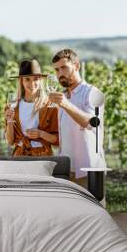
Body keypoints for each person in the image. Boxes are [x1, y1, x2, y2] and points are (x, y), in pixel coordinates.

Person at [49, 49, 106, 189]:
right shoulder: (62, 96)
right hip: (66, 170)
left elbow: (91, 123)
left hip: (89, 170)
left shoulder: (92, 93)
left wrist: (65, 104)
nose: (60, 74)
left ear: (77, 66)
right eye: (56, 70)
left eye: (64, 68)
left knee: (93, 210)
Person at [4, 59, 59, 156]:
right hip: (20, 156)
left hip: (42, 156)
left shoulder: (50, 106)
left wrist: (41, 134)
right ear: (21, 81)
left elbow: (57, 139)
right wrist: (9, 121)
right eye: (27, 79)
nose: (32, 83)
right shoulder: (12, 106)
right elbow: (10, 141)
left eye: (36, 79)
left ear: (40, 80)